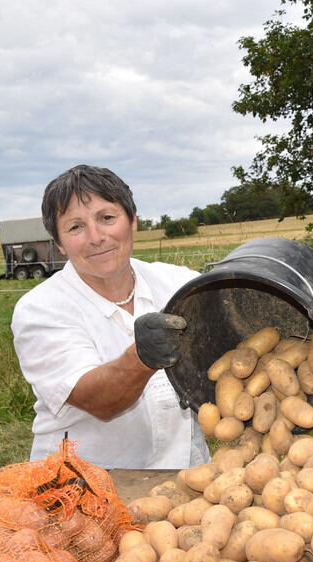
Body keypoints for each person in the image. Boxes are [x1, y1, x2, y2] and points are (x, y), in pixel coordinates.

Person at [11, 165, 210, 469]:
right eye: (75, 227)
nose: (95, 237)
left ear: (132, 222)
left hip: (187, 478)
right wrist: (142, 357)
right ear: (60, 243)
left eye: (106, 218)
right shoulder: (41, 309)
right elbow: (100, 401)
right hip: (80, 489)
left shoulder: (179, 284)